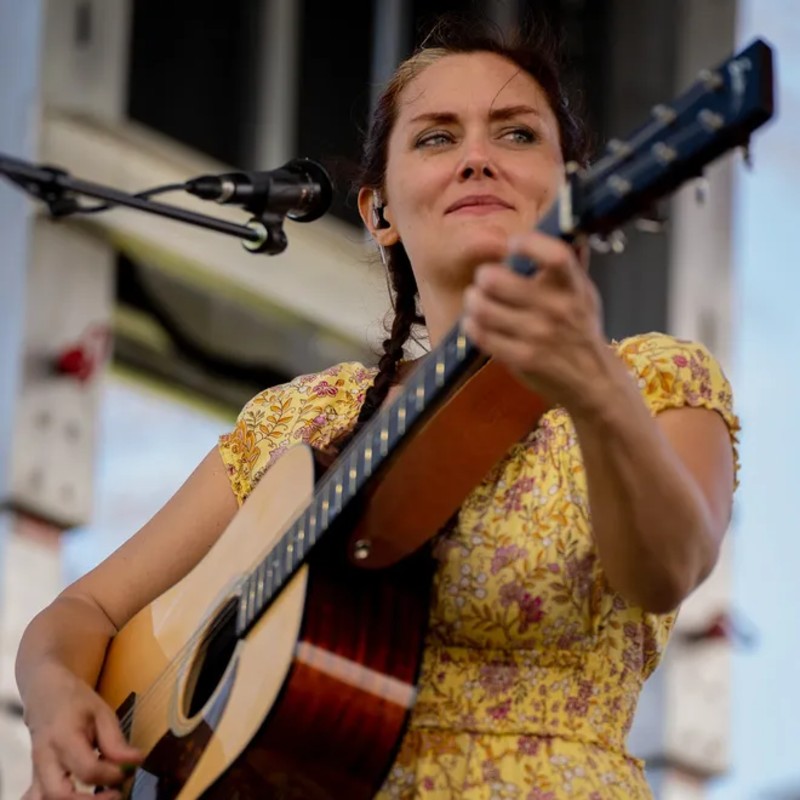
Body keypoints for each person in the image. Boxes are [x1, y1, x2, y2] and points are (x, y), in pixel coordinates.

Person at [15, 15, 738, 800]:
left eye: (517, 134)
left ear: (569, 182)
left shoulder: (650, 378)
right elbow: (83, 610)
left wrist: (594, 391)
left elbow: (668, 570)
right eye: (436, 138)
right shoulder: (301, 420)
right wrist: (56, 700)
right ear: (379, 214)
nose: (476, 159)